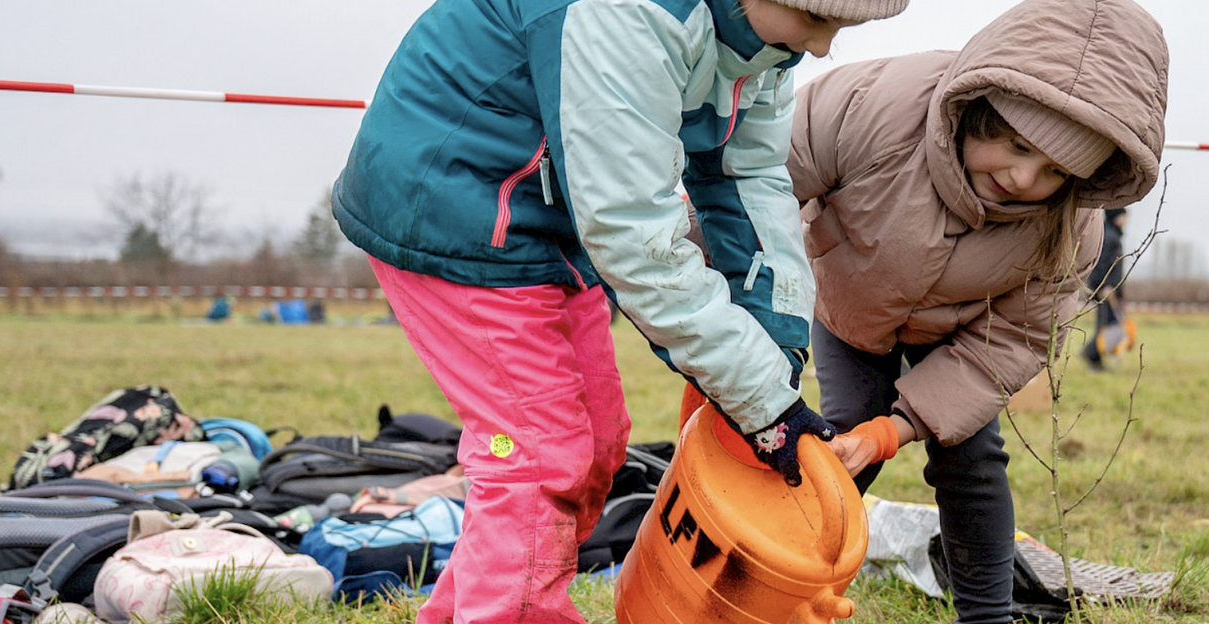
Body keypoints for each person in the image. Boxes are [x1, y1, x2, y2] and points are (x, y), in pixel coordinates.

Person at [328, 0, 907, 622]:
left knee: (599, 446)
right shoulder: (627, 11)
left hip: (548, 216)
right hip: (455, 210)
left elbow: (751, 176)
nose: (821, 49)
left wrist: (777, 343)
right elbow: (635, 235)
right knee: (540, 458)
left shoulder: (766, 43)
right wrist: (765, 407)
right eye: (818, 25)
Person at [788, 0, 1168, 621]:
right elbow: (762, 182)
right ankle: (788, 578)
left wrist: (901, 427)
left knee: (972, 462)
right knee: (839, 442)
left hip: (961, 333)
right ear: (982, 107)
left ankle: (986, 614)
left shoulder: (1072, 233)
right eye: (1016, 145)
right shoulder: (873, 104)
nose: (1022, 179)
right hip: (853, 303)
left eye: (1054, 171)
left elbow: (1012, 343)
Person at [1082, 206, 1127, 370]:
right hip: (1105, 290)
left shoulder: (1110, 234)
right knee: (1106, 324)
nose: (1126, 220)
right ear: (1117, 217)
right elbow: (1101, 265)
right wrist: (1105, 286)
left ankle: (1096, 355)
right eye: (1124, 216)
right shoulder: (1110, 237)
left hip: (1108, 289)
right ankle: (1091, 353)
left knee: (1107, 323)